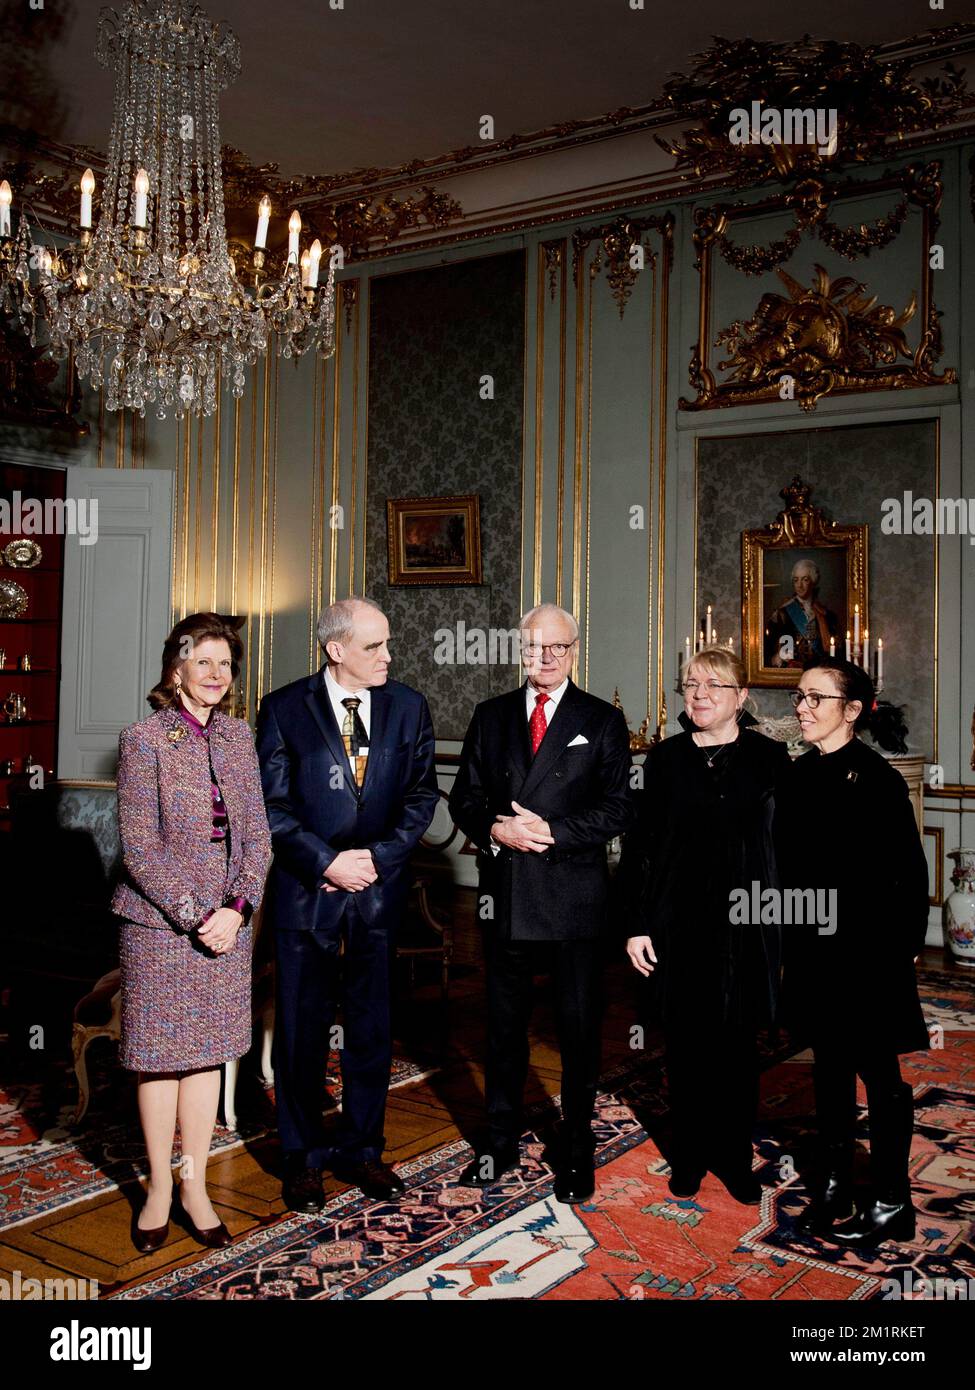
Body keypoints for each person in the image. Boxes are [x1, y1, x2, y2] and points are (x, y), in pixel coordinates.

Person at [256, 597, 438, 1212]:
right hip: (308, 893)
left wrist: (376, 861)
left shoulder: (408, 706)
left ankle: (363, 1150)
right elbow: (271, 808)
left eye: (387, 644)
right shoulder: (284, 709)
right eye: (374, 646)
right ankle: (302, 1157)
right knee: (302, 1032)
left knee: (372, 1028)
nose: (388, 656)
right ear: (336, 650)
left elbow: (420, 797)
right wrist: (327, 862)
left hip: (378, 893)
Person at [448, 603, 633, 1204]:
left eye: (557, 648)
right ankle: (498, 1143)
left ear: (574, 651)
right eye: (533, 648)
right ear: (519, 651)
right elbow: (465, 797)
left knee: (579, 1033)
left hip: (573, 898)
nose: (545, 658)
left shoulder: (601, 720)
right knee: (502, 1030)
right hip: (505, 895)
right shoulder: (492, 715)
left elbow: (616, 810)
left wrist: (550, 831)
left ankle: (577, 1152)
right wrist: (498, 830)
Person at [112, 613, 272, 1253]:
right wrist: (195, 915)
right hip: (158, 927)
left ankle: (195, 1185)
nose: (215, 675)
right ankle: (156, 1187)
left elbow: (256, 837)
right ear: (174, 668)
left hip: (229, 928)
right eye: (202, 661)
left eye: (226, 664)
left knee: (208, 1054)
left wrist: (235, 908)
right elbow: (138, 849)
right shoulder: (142, 739)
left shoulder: (238, 739)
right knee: (160, 1059)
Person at [621, 644, 790, 1204]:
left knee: (739, 1050)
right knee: (687, 1049)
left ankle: (735, 1160)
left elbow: (788, 849)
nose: (698, 695)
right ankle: (689, 1156)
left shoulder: (770, 758)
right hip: (679, 923)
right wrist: (637, 924)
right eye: (690, 685)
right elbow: (640, 850)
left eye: (713, 686)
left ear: (741, 697)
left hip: (747, 925)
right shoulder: (664, 761)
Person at [777, 658, 930, 1245]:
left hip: (868, 957)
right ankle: (836, 1185)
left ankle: (893, 1199)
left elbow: (909, 876)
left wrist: (902, 950)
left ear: (852, 710)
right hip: (814, 954)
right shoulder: (796, 775)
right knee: (830, 1069)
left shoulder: (878, 781)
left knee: (880, 1074)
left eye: (816, 698)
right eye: (799, 697)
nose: (803, 708)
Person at [766, 558, 839, 667]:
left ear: (813, 581)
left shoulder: (826, 615)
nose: (799, 585)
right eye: (796, 580)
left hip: (817, 673)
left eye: (805, 580)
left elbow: (835, 650)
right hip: (790, 672)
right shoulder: (781, 614)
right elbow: (768, 649)